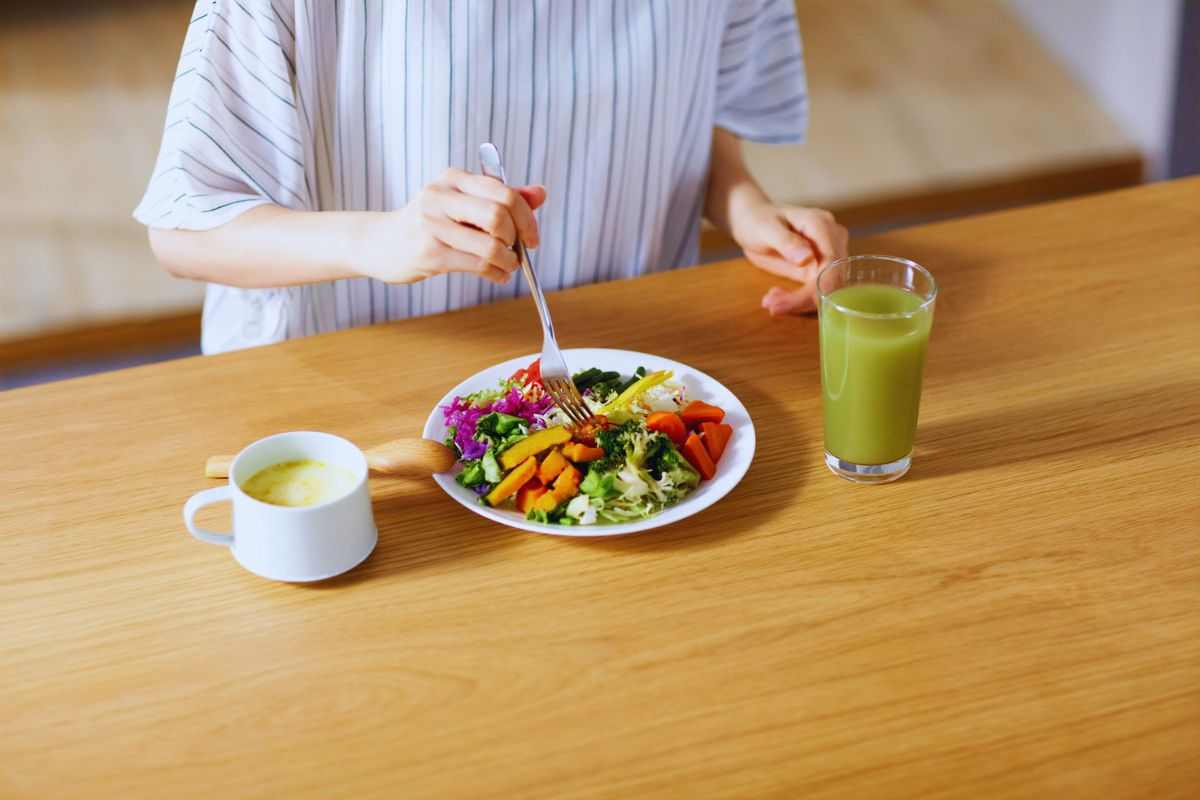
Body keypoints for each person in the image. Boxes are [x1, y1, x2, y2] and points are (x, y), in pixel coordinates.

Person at [136, 0, 847, 354]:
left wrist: (744, 205)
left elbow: (697, 103)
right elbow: (183, 228)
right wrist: (379, 240)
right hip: (368, 390)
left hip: (633, 365)